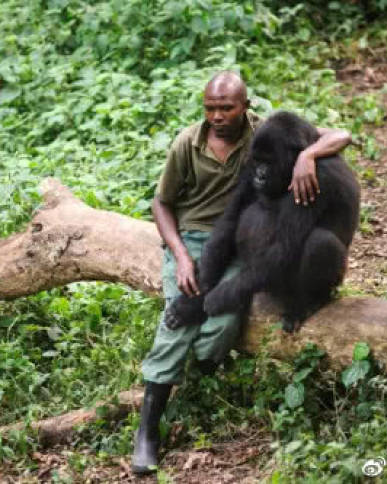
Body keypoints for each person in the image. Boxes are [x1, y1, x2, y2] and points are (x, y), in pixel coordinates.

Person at [131, 71, 352, 475]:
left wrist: (308, 157)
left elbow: (280, 259)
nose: (261, 173)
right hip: (202, 242)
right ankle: (147, 429)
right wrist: (193, 279)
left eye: (226, 107)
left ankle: (306, 303)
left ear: (244, 108)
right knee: (179, 319)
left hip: (307, 266)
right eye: (210, 107)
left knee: (228, 313)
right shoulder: (242, 149)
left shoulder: (305, 170)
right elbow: (228, 224)